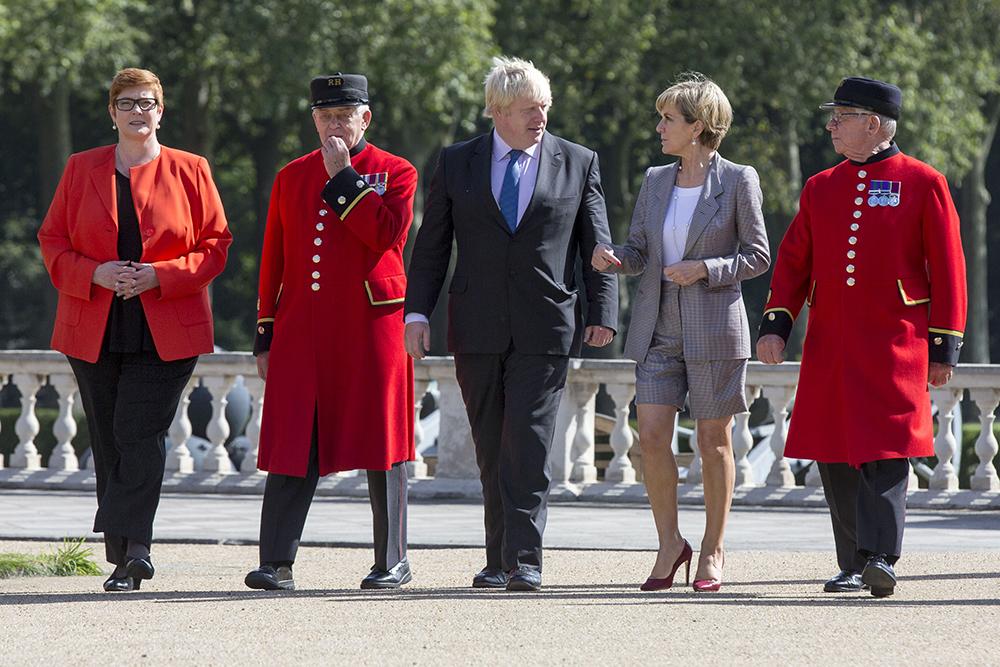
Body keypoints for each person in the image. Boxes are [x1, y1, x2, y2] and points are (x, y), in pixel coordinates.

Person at [404, 57, 618, 592]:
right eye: (529, 109)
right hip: (475, 325)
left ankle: (525, 559)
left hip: (546, 324)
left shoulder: (579, 161)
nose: (541, 116)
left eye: (545, 106)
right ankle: (497, 559)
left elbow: (597, 245)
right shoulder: (456, 162)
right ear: (497, 112)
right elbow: (431, 248)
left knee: (528, 441)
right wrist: (416, 313)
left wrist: (603, 315)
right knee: (490, 443)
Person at [757, 76, 967, 598]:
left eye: (841, 116)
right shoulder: (820, 186)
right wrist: (776, 324)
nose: (831, 125)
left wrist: (944, 346)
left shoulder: (923, 181)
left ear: (873, 124)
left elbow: (948, 268)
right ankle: (851, 561)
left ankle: (882, 558)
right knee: (833, 451)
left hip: (897, 342)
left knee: (888, 449)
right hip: (831, 343)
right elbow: (793, 262)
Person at [37, 67, 232, 592]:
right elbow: (52, 240)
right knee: (107, 436)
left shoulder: (191, 169)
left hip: (167, 321)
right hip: (94, 321)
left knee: (137, 431)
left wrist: (159, 275)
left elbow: (215, 245)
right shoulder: (81, 168)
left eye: (147, 103)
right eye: (127, 103)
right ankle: (124, 556)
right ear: (112, 113)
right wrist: (93, 272)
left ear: (160, 111)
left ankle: (136, 547)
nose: (138, 112)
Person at [592, 73, 770, 592]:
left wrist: (705, 268)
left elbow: (758, 256)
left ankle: (713, 550)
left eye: (667, 119)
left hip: (715, 329)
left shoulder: (740, 180)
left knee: (714, 441)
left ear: (697, 127)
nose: (658, 127)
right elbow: (642, 250)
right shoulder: (654, 181)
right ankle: (670, 544)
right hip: (656, 329)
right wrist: (616, 259)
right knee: (650, 438)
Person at [245, 72, 417, 592]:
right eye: (325, 116)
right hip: (303, 327)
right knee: (294, 438)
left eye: (345, 115)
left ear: (367, 118)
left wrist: (344, 178)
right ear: (313, 119)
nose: (335, 125)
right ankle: (276, 562)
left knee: (382, 441)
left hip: (371, 326)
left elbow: (386, 236)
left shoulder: (396, 171)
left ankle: (392, 561)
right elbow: (273, 255)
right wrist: (265, 330)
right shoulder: (291, 175)